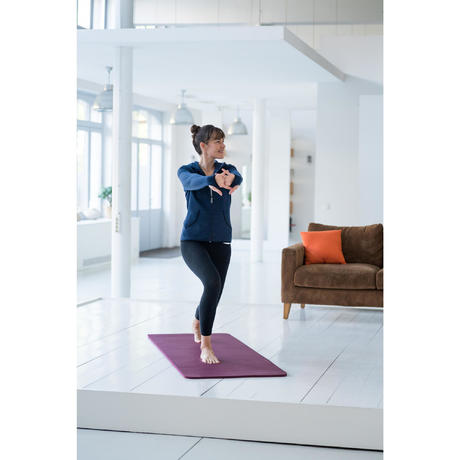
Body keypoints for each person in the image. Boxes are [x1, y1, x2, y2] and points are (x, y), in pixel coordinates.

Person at [177, 124, 243, 364]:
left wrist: (231, 178)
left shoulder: (228, 169)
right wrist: (211, 180)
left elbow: (237, 176)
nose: (223, 145)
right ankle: (206, 345)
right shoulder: (186, 171)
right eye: (218, 141)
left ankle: (197, 320)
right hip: (193, 241)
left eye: (223, 141)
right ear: (203, 145)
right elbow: (191, 181)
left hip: (222, 241)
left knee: (215, 289)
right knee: (212, 282)